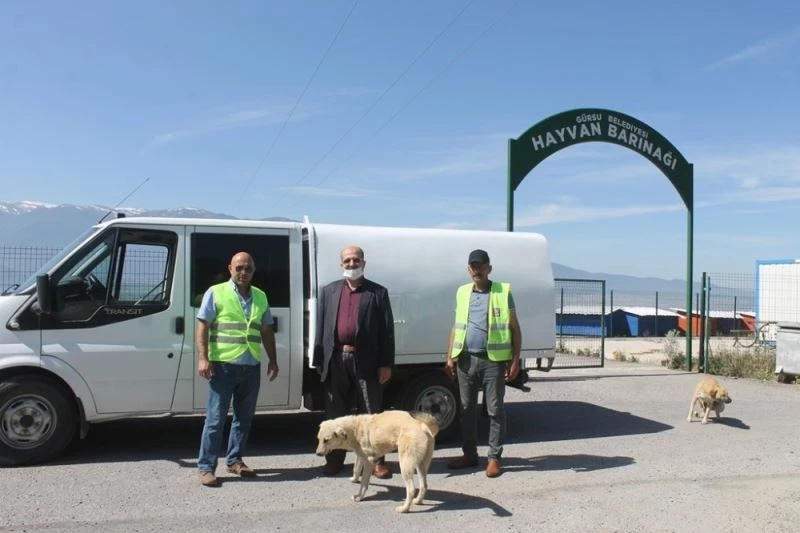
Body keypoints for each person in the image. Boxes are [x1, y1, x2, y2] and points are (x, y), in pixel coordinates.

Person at [196, 251, 279, 487]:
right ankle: (205, 468)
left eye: (248, 268)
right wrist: (203, 358)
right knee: (215, 419)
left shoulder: (260, 296)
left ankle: (235, 461)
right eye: (239, 268)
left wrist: (273, 360)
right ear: (230, 268)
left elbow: (266, 331)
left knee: (244, 419)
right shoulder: (216, 292)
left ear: (254, 271)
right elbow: (202, 326)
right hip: (223, 366)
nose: (244, 272)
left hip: (250, 366)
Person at [313, 245, 395, 479]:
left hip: (366, 361)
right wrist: (320, 360)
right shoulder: (329, 291)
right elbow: (322, 329)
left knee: (371, 413)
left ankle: (377, 462)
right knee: (335, 414)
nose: (351, 264)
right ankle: (335, 460)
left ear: (363, 263)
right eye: (347, 261)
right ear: (341, 265)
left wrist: (386, 364)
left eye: (356, 260)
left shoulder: (377, 293)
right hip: (336, 359)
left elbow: (387, 332)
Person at [445, 249, 522, 478]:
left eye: (481, 265)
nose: (477, 270)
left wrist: (515, 359)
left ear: (489, 268)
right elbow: (456, 326)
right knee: (466, 410)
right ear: (469, 269)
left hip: (493, 361)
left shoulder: (502, 291)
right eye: (473, 266)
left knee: (495, 410)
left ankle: (494, 458)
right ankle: (469, 454)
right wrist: (449, 356)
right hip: (466, 359)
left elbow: (514, 329)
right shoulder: (462, 292)